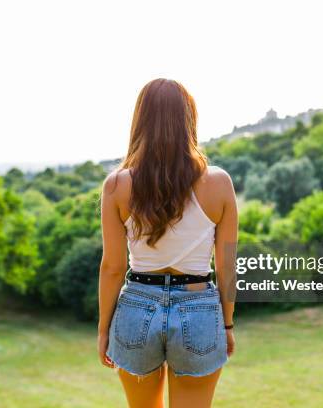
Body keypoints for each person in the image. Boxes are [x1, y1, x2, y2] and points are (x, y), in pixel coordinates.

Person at [97, 78, 238, 408]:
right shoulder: (218, 183)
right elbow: (227, 266)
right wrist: (227, 324)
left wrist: (104, 329)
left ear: (140, 121)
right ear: (189, 120)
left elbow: (113, 267)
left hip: (135, 309)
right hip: (199, 308)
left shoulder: (116, 185)